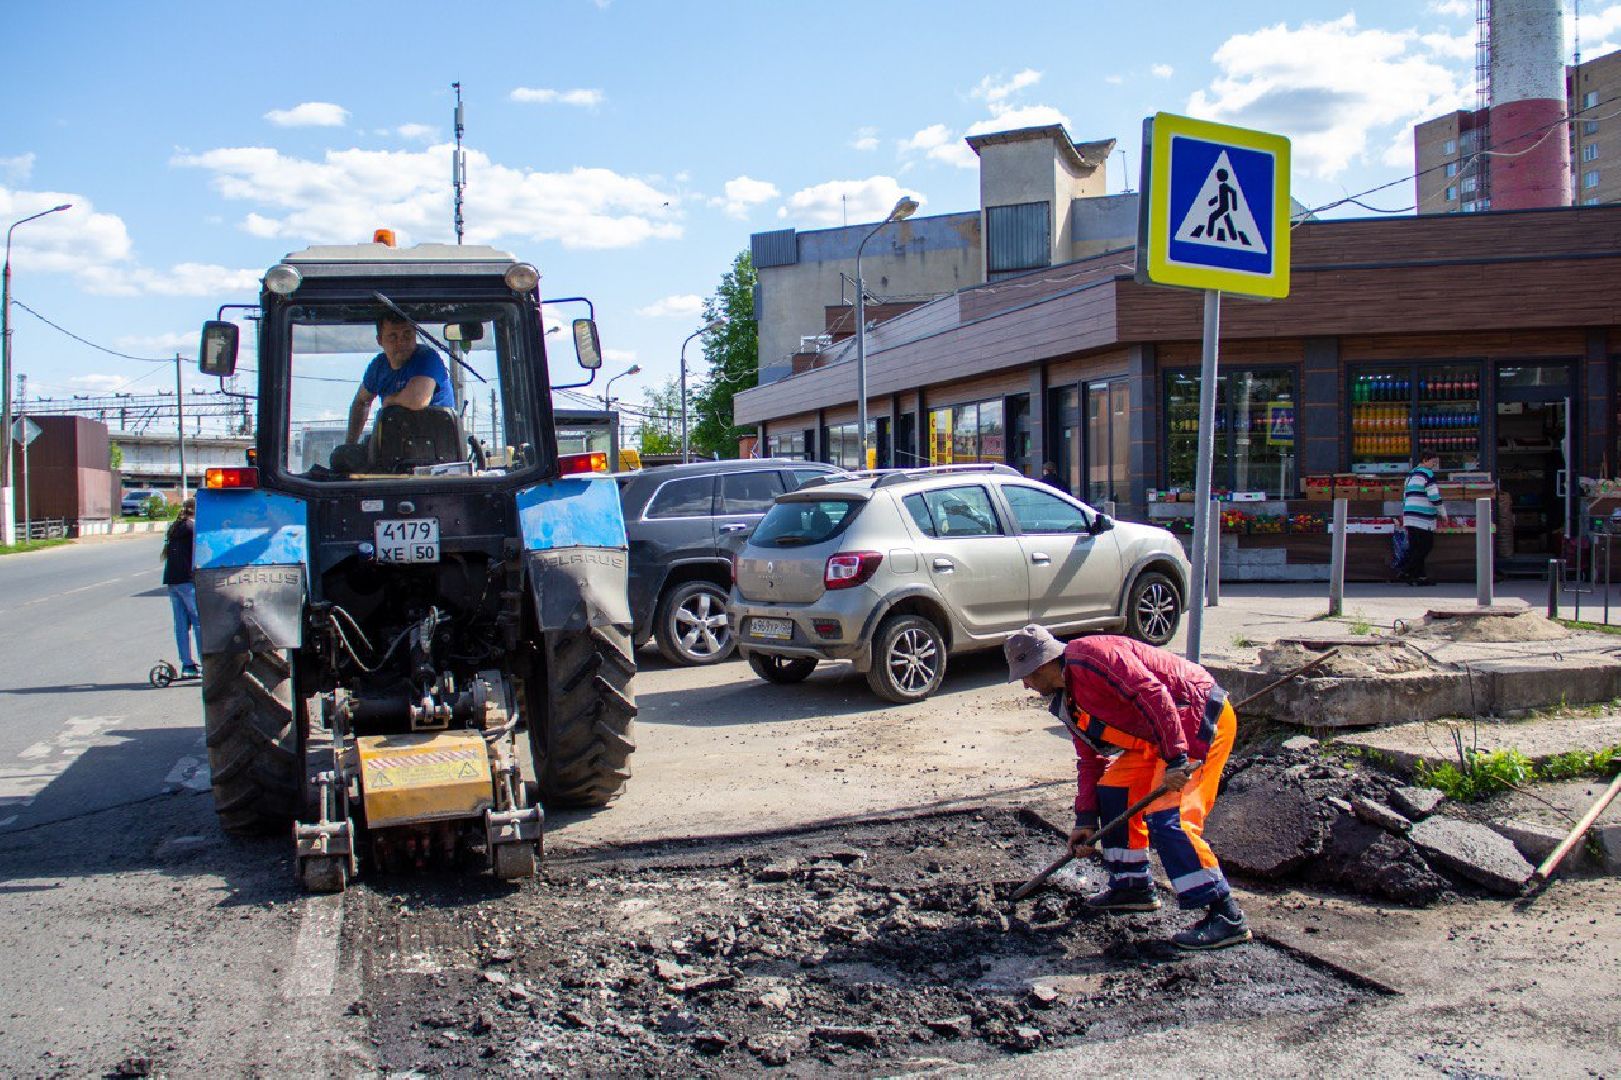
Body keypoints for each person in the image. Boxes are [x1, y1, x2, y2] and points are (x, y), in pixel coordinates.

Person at [1004, 624, 1251, 950]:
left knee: (1169, 817)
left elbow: (1153, 693)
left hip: (1195, 722)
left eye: (1027, 674)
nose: (1025, 683)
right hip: (1155, 741)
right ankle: (1131, 885)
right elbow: (1090, 761)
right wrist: (1086, 819)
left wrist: (1176, 760)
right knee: (1113, 789)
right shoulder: (1068, 704)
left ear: (1044, 663)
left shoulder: (1093, 657)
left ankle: (1226, 915)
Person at [345, 313, 455, 443]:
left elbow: (418, 400)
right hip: (397, 447)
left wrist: (389, 402)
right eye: (393, 337)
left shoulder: (428, 358)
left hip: (437, 451)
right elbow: (361, 402)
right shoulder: (378, 366)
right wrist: (350, 444)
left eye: (407, 334)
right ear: (380, 340)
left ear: (415, 334)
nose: (401, 342)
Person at [162, 497, 201, 678]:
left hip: (173, 581)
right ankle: (205, 661)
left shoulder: (176, 527)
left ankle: (187, 665)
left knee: (181, 625)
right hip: (187, 581)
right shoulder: (192, 528)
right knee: (199, 622)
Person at [1398, 450, 1448, 586]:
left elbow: (1404, 496)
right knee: (1426, 546)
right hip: (1423, 517)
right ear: (1425, 460)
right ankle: (1406, 570)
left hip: (1409, 515)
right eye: (1433, 462)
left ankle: (1420, 577)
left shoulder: (1410, 474)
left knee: (1416, 547)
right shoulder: (1428, 474)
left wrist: (1405, 513)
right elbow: (1434, 496)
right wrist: (1442, 513)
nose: (1434, 465)